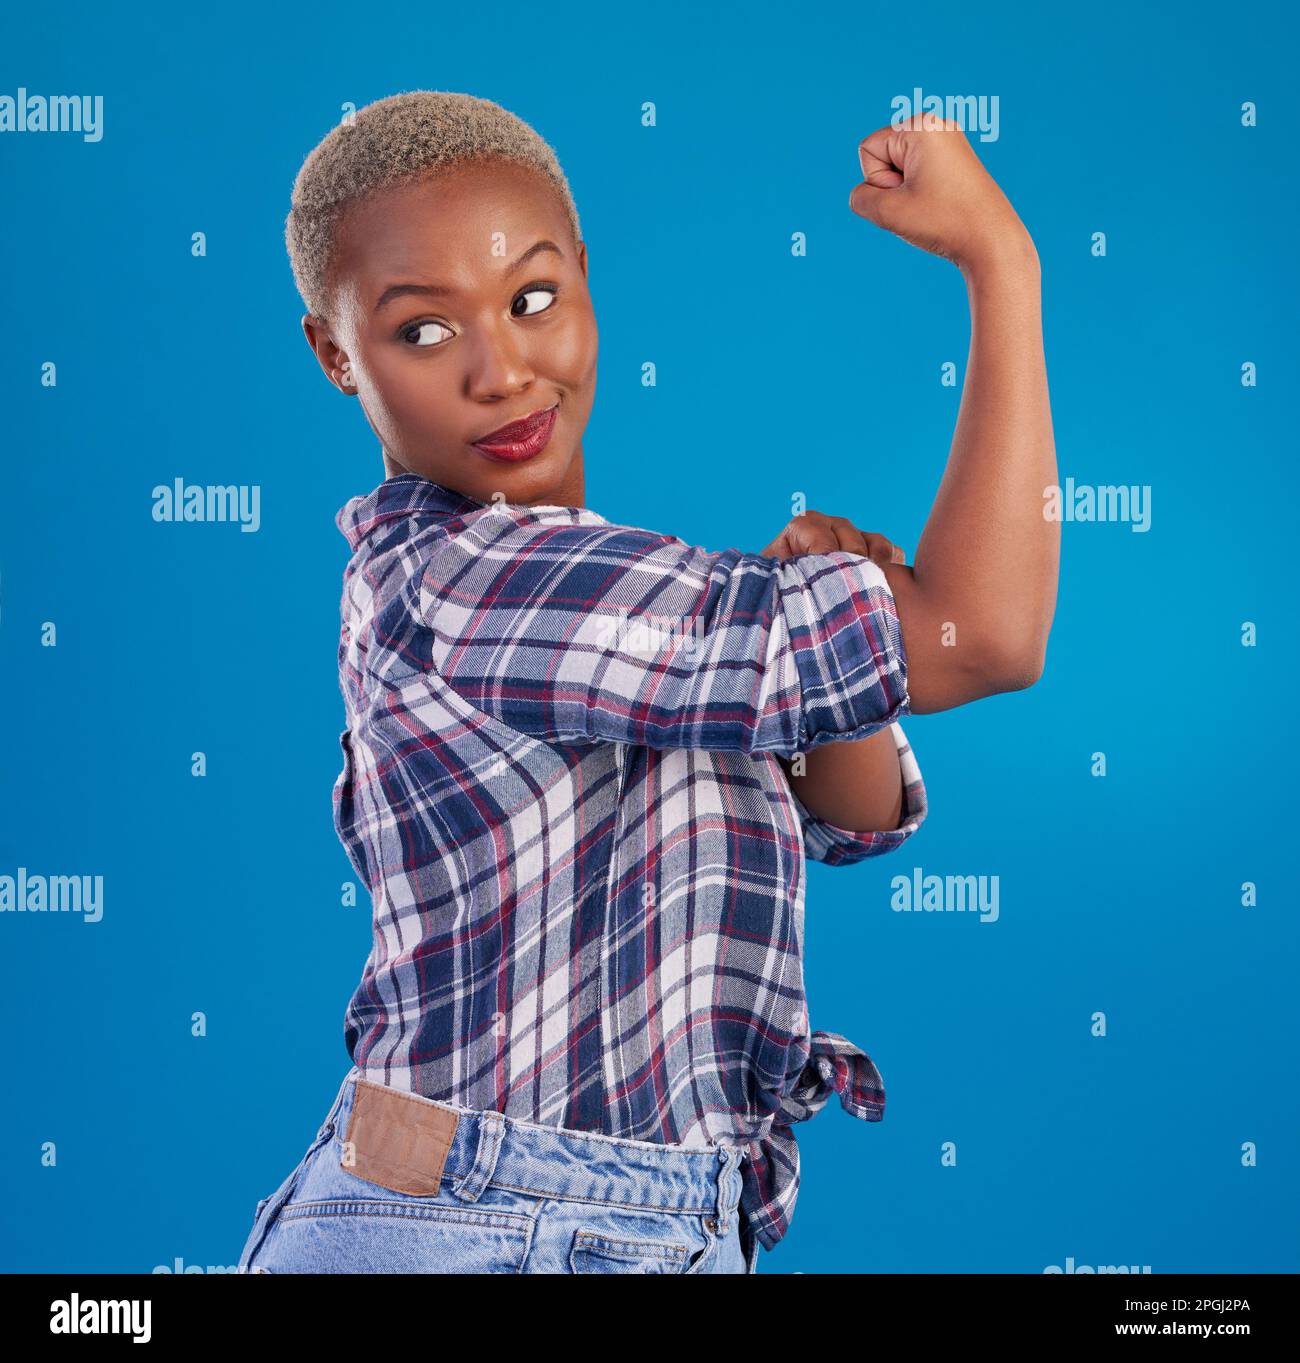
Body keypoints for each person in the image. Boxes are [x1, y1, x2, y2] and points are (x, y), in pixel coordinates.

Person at [238, 89, 1057, 1275]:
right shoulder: (472, 580)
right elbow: (985, 637)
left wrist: (834, 628)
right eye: (421, 330)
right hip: (486, 1225)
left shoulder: (610, 582)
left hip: (578, 1219)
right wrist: (1002, 262)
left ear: (583, 275)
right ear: (334, 353)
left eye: (532, 299)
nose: (500, 369)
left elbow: (855, 811)